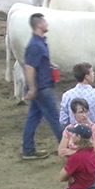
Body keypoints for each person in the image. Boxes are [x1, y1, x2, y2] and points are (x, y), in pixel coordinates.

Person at [21, 13, 63, 160]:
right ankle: (66, 148)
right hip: (42, 88)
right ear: (39, 25)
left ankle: (28, 149)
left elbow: (36, 64)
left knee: (33, 117)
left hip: (41, 86)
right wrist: (32, 89)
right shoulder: (35, 45)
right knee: (55, 119)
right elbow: (30, 68)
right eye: (44, 21)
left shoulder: (39, 43)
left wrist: (48, 65)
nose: (47, 23)